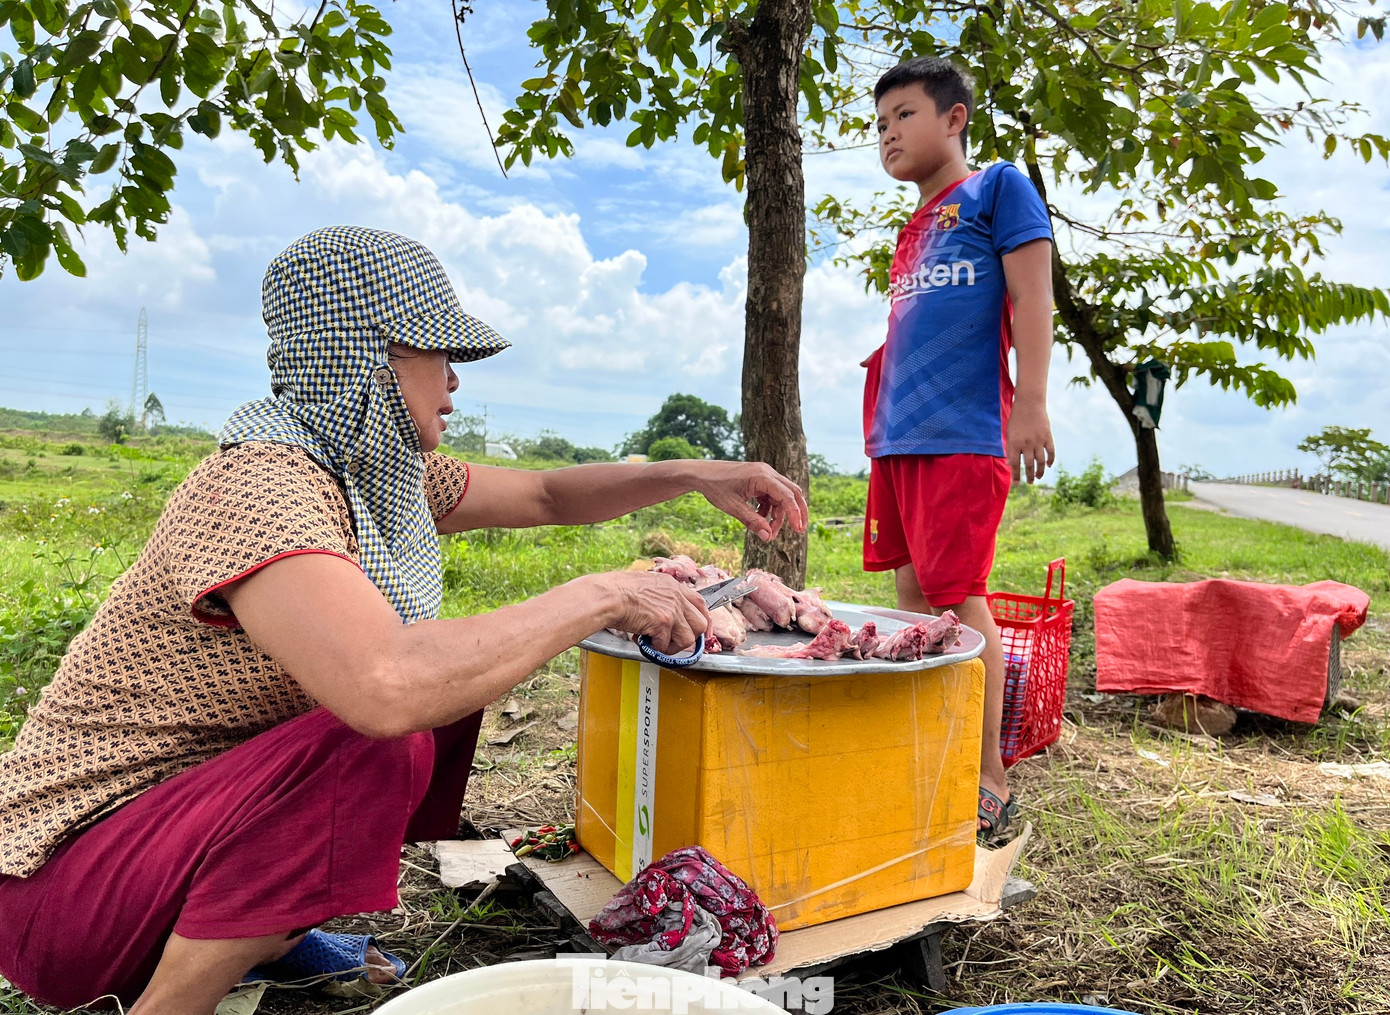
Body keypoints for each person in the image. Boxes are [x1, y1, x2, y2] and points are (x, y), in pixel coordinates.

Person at [0, 226, 808, 1015]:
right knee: (387, 725)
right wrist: (602, 595)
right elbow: (385, 685)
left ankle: (270, 937)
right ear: (369, 355)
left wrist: (696, 472)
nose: (455, 380)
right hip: (60, 891)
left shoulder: (370, 467)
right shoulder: (259, 486)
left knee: (454, 681)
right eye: (438, 352)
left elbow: (546, 495)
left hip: (159, 843)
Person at [861, 57, 1056, 841]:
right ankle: (936, 760)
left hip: (963, 435)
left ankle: (989, 781)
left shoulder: (998, 188)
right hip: (898, 440)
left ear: (955, 118)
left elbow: (1031, 296)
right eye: (879, 125)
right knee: (913, 601)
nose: (888, 134)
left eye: (904, 114)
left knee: (957, 595)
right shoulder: (912, 227)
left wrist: (1032, 403)